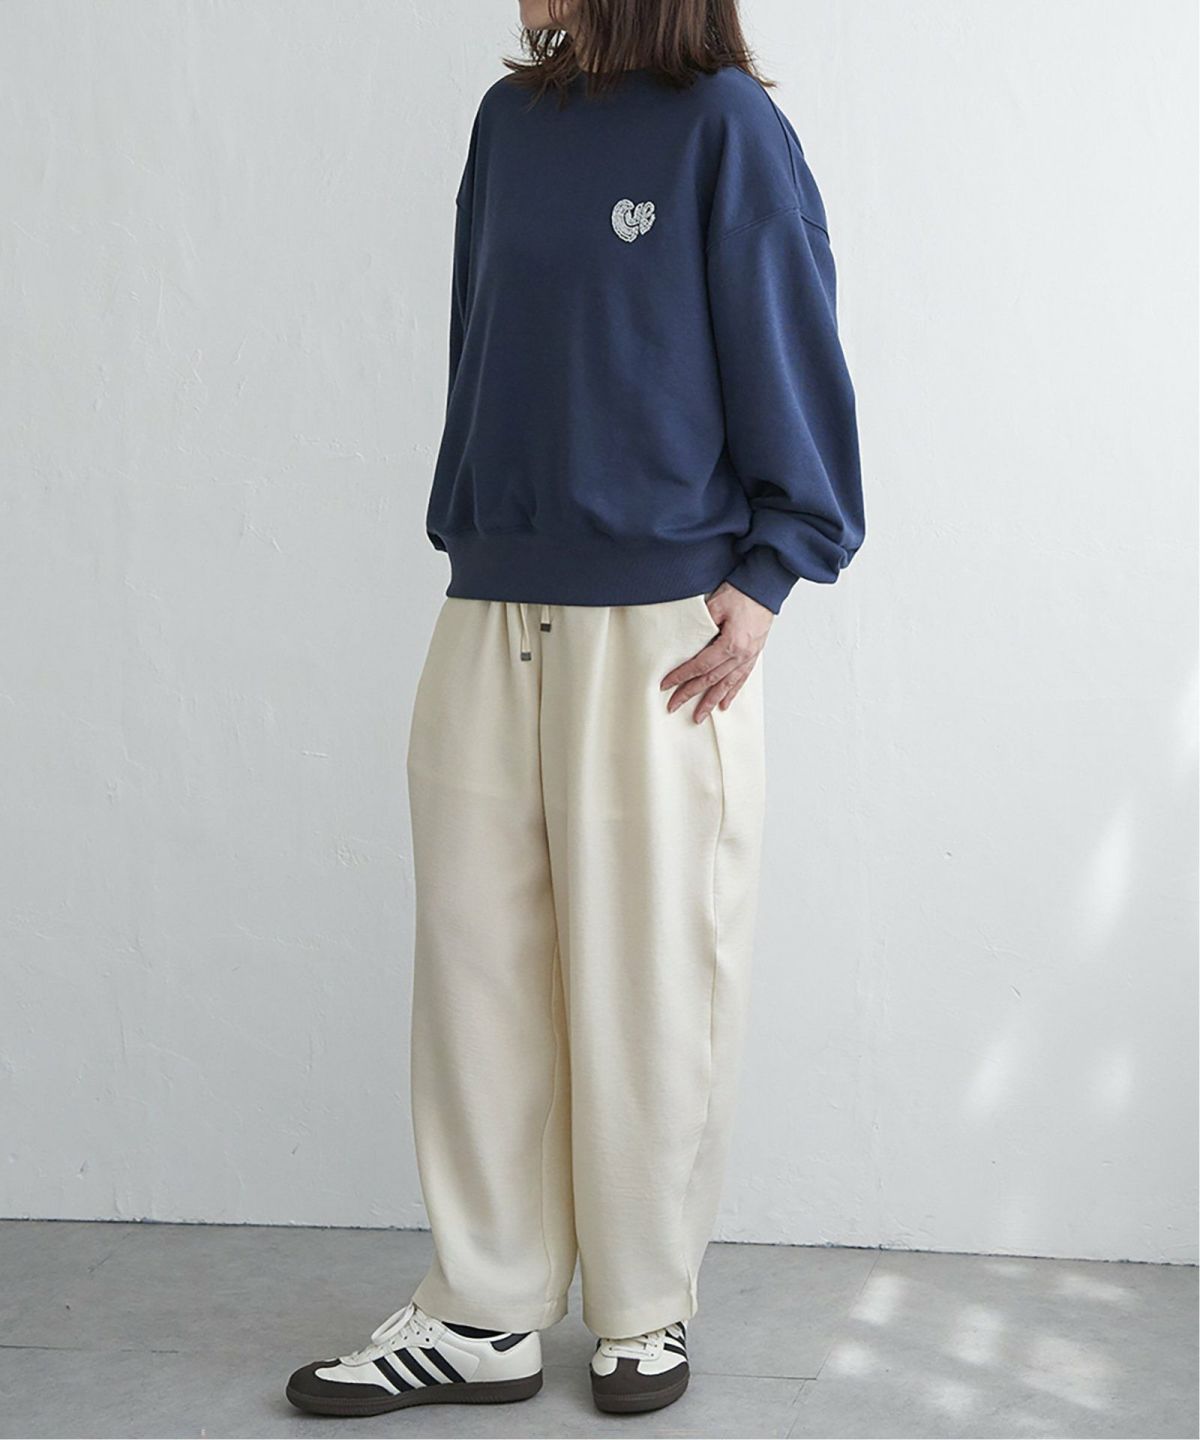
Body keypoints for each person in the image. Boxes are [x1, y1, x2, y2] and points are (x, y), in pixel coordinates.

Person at [286, 0, 863, 1418]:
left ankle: (644, 1308)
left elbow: (791, 346)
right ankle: (482, 1313)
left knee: (651, 982)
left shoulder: (727, 130)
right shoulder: (510, 126)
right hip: (491, 605)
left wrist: (768, 577)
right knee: (475, 979)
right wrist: (477, 538)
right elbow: (479, 347)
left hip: (662, 632)